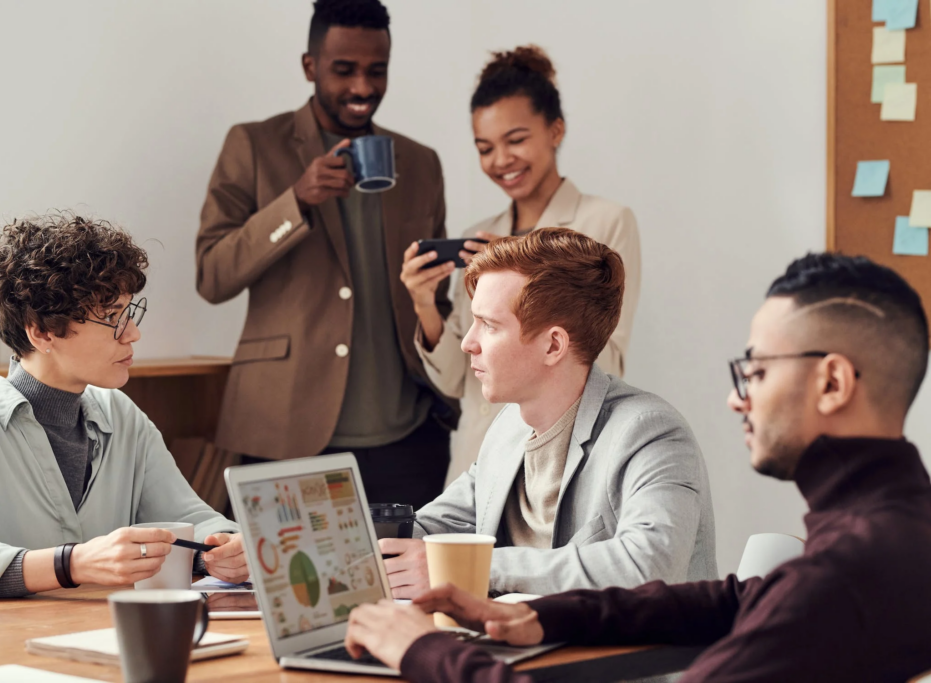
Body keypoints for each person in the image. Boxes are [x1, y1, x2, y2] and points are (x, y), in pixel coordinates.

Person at [347, 253, 931, 683]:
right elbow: (737, 597)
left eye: (754, 372)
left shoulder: (840, 578)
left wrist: (425, 653)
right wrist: (540, 615)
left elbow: (699, 579)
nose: (737, 398)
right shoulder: (894, 533)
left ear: (832, 382)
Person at [196, 0, 456, 510]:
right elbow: (212, 275)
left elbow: (433, 294)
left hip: (409, 437)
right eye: (344, 70)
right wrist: (295, 202)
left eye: (376, 71)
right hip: (285, 430)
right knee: (285, 591)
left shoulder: (421, 163)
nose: (362, 88)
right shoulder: (254, 145)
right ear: (310, 66)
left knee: (406, 590)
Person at [0, 215, 248, 601]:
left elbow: (192, 520)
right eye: (111, 317)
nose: (133, 333)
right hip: (2, 652)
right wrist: (73, 564)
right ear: (42, 331)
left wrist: (227, 548)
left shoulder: (122, 415)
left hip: (107, 640)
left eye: (129, 313)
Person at [381, 229, 715, 598]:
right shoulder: (509, 427)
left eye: (489, 325)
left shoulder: (650, 433)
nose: (467, 342)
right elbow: (431, 528)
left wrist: (467, 569)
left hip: (631, 654)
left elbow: (649, 565)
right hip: (519, 647)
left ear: (553, 345)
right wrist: (347, 534)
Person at [401, 45, 641, 484]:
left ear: (556, 130)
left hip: (558, 463)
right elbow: (459, 382)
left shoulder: (605, 221)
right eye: (485, 147)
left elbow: (609, 362)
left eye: (516, 140)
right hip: (474, 463)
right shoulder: (479, 234)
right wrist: (423, 303)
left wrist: (525, 266)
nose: (500, 161)